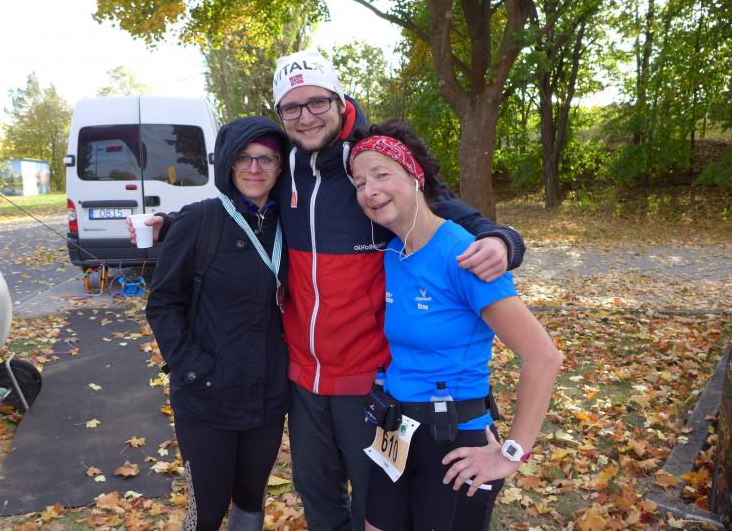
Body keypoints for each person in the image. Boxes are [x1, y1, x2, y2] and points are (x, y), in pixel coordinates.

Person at [131, 50, 527, 531]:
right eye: (291, 108)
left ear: (339, 100)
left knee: (373, 503)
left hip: (370, 381)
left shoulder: (370, 163)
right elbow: (240, 201)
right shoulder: (284, 167)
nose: (306, 116)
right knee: (317, 495)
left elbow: (441, 207)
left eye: (317, 102)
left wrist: (502, 240)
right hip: (302, 380)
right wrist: (172, 220)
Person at [348, 119, 562, 530]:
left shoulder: (465, 254)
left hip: (454, 441)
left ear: (415, 177)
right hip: (394, 431)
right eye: (359, 183)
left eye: (381, 175)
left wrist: (512, 453)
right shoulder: (392, 253)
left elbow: (544, 357)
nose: (369, 190)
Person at [144, 116, 290, 531]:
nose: (254, 168)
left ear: (280, 166)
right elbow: (163, 304)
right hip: (207, 397)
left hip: (267, 398)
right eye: (244, 157)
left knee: (251, 501)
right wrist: (193, 367)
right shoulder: (200, 220)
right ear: (227, 163)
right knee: (207, 511)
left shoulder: (290, 224)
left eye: (266, 158)